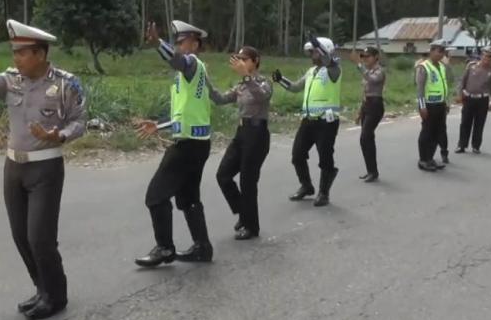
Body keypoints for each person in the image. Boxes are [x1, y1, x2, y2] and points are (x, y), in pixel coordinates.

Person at [0, 20, 87, 320]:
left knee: (40, 238)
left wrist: (57, 135)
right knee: (21, 236)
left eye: (21, 53)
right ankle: (41, 288)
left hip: (45, 167)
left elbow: (80, 121)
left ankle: (56, 296)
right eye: (14, 52)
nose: (15, 58)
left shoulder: (66, 83)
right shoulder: (10, 79)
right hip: (13, 167)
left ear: (40, 54)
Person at [134, 20, 214, 267]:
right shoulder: (184, 77)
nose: (178, 46)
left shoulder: (190, 65)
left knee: (155, 197)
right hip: (197, 142)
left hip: (188, 147)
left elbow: (178, 60)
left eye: (181, 42)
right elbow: (183, 115)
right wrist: (157, 126)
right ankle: (202, 247)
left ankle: (165, 248)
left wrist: (158, 44)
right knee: (188, 198)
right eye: (176, 42)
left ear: (195, 44)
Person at [209, 47, 272, 240]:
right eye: (239, 59)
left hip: (257, 134)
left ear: (255, 61)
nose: (241, 62)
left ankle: (251, 227)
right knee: (223, 175)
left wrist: (246, 76)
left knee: (247, 181)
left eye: (245, 59)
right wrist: (205, 81)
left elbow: (262, 96)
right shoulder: (241, 86)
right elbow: (220, 99)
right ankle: (244, 213)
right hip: (242, 132)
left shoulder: (264, 82)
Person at [273, 36, 342, 207]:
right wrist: (281, 80)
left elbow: (330, 62)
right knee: (297, 155)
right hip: (308, 121)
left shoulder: (334, 70)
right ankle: (306, 185)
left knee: (325, 158)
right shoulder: (311, 72)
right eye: (311, 52)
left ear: (324, 51)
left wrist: (322, 49)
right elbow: (296, 87)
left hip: (326, 122)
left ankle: (323, 193)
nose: (311, 55)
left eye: (314, 51)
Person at [350, 46, 385, 182]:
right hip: (367, 105)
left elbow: (373, 80)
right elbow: (364, 93)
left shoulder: (379, 71)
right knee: (367, 139)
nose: (365, 59)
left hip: (376, 105)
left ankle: (373, 171)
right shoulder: (367, 72)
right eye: (363, 57)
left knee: (365, 137)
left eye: (368, 56)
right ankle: (371, 170)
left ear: (376, 57)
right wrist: (360, 112)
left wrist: (358, 65)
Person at [456, 46, 491, 155]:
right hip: (469, 98)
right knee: (465, 122)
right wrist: (459, 94)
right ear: (482, 55)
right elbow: (462, 81)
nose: (487, 58)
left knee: (479, 124)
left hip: (482, 100)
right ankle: (462, 145)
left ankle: (476, 146)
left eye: (490, 57)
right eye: (486, 55)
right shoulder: (471, 66)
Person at [416, 39, 450, 172]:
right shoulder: (423, 67)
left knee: (437, 133)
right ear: (431, 51)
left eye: (443, 52)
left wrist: (446, 102)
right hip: (428, 105)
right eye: (439, 51)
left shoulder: (441, 66)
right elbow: (419, 89)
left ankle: (430, 158)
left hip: (440, 104)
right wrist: (422, 106)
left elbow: (445, 85)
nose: (441, 54)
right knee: (427, 133)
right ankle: (423, 159)